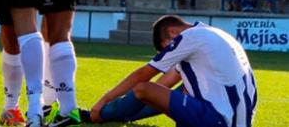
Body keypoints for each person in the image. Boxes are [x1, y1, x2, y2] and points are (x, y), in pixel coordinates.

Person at [89, 15, 257, 127]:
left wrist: (104, 100)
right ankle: (116, 115)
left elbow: (142, 76)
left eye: (166, 48)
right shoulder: (212, 33)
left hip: (219, 119)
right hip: (239, 119)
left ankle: (99, 115)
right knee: (175, 90)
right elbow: (164, 85)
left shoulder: (190, 37)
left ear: (173, 32)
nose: (169, 52)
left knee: (143, 88)